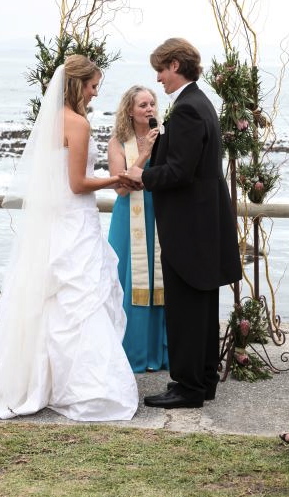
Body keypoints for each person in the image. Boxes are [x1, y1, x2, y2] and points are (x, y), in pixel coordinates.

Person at [0, 54, 138, 422]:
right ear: (78, 84)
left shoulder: (52, 121)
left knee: (55, 303)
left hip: (55, 220)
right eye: (93, 86)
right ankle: (86, 388)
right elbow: (78, 184)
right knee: (83, 300)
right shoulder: (78, 124)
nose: (95, 94)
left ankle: (43, 382)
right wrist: (118, 179)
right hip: (75, 219)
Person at [122, 38, 242, 409]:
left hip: (189, 226)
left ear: (175, 65)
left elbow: (180, 171)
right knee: (203, 308)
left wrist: (142, 176)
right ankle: (203, 382)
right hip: (205, 222)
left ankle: (187, 387)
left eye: (160, 69)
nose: (158, 78)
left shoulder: (189, 108)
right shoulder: (201, 102)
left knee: (187, 308)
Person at [108, 86, 169, 372]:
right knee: (126, 281)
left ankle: (161, 352)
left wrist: (142, 175)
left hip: (159, 213)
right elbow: (121, 188)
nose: (149, 109)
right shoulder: (118, 142)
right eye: (143, 105)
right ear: (130, 111)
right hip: (129, 217)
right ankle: (132, 352)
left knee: (164, 278)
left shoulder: (166, 138)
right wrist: (143, 155)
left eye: (152, 103)